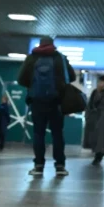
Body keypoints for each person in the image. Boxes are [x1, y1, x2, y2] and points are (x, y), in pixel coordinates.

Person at [18, 36, 77, 176]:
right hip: (56, 101)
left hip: (37, 101)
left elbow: (21, 79)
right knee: (57, 134)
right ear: (52, 44)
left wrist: (33, 86)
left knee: (39, 133)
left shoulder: (32, 58)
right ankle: (60, 166)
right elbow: (72, 77)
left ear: (40, 44)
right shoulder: (60, 58)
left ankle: (38, 166)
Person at [83, 74, 104, 165]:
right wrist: (88, 115)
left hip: (103, 119)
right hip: (94, 118)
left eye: (101, 82)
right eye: (98, 81)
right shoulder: (95, 92)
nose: (99, 83)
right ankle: (97, 153)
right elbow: (90, 105)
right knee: (93, 137)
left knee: (101, 138)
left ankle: (99, 155)